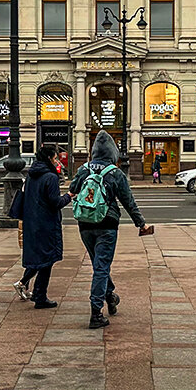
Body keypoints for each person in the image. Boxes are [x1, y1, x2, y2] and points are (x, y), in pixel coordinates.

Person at [69, 131, 154, 329]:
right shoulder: (115, 173)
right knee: (101, 267)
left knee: (98, 264)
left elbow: (73, 190)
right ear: (112, 153)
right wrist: (141, 224)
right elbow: (128, 202)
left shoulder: (83, 169)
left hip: (85, 224)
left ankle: (110, 296)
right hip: (107, 224)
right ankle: (96, 313)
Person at [18, 144, 72, 309]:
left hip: (32, 222)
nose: (57, 161)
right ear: (50, 158)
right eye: (55, 158)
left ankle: (28, 285)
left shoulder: (31, 175)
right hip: (46, 223)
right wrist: (69, 196)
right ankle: (40, 296)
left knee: (38, 258)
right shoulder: (51, 177)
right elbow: (55, 203)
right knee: (47, 260)